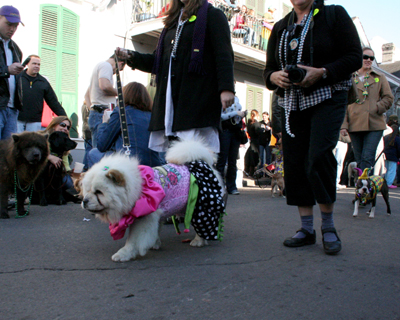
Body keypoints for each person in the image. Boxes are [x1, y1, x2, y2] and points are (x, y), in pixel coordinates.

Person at [264, 0, 362, 255]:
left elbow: (354, 56)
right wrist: (273, 77)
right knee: (295, 162)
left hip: (328, 96)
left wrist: (323, 71)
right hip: (292, 102)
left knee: (318, 156)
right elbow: (269, 71)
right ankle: (306, 229)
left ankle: (328, 227)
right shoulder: (281, 27)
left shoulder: (333, 15)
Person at [116, 0, 235, 153]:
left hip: (197, 106)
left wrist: (226, 88)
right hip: (171, 109)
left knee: (197, 163)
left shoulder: (213, 16)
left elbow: (223, 54)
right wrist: (130, 56)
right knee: (175, 163)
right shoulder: (172, 23)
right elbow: (158, 62)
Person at [341, 47, 394, 172]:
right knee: (359, 158)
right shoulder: (349, 77)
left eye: (372, 58)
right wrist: (344, 125)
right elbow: (343, 103)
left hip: (374, 123)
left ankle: (366, 189)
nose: (368, 60)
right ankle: (362, 188)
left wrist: (376, 107)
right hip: (355, 123)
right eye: (365, 57)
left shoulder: (379, 77)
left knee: (367, 157)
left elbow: (389, 98)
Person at [87, 82, 164, 168]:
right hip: (153, 165)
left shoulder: (121, 112)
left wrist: (104, 123)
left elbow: (102, 146)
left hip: (130, 164)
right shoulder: (153, 116)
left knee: (93, 153)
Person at [16, 55, 66, 132]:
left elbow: (53, 102)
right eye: (34, 63)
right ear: (27, 64)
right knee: (16, 143)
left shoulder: (43, 82)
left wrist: (64, 117)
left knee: (32, 143)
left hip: (34, 121)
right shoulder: (18, 77)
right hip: (17, 118)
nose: (36, 66)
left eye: (38, 64)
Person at [85, 54, 125, 148]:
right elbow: (105, 86)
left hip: (97, 113)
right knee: (101, 151)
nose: (115, 73)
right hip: (101, 113)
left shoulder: (100, 67)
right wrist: (122, 93)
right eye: (119, 70)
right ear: (120, 63)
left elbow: (87, 95)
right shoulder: (106, 66)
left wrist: (92, 109)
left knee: (95, 151)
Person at [0, 6, 24, 140]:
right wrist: (7, 70)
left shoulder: (16, 49)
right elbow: (7, 71)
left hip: (12, 109)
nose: (12, 29)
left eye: (15, 26)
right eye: (9, 24)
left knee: (8, 154)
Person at [217, 96, 247, 195]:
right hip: (225, 131)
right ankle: (219, 186)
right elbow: (221, 116)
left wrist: (242, 114)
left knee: (233, 161)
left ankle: (232, 186)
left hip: (236, 131)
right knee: (222, 159)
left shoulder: (237, 98)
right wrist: (235, 113)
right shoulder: (222, 97)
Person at [43, 116, 76, 191]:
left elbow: (65, 164)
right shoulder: (42, 137)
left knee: (70, 184)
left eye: (68, 127)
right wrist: (49, 157)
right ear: (54, 125)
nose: (65, 128)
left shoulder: (64, 142)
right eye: (62, 125)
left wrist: (70, 171)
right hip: (41, 173)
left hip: (56, 174)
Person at [383, 117, 400, 188]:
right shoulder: (397, 139)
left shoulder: (386, 137)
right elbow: (399, 149)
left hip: (385, 155)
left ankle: (384, 183)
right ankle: (389, 183)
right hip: (393, 156)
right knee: (392, 170)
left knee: (386, 169)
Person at [244, 109, 261, 176]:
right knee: (255, 157)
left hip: (252, 141)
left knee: (250, 156)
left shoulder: (249, 124)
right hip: (256, 142)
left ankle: (248, 171)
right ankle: (254, 172)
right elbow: (259, 132)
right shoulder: (256, 124)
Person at [81, 100, 92, 172]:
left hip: (85, 128)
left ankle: (85, 167)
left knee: (87, 148)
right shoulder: (89, 107)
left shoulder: (83, 106)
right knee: (89, 149)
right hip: (89, 129)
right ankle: (85, 167)